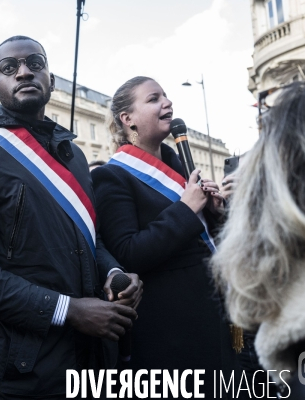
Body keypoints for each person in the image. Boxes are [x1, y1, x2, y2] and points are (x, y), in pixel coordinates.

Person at [0, 36, 142, 399]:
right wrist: (69, 310)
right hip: (22, 368)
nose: (23, 72)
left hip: (92, 357)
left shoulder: (74, 157)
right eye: (8, 67)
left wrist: (113, 272)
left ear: (51, 79)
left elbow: (88, 241)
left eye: (35, 63)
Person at [91, 76, 236, 394]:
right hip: (169, 329)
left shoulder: (183, 170)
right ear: (127, 119)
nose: (167, 103)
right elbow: (129, 252)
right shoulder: (112, 176)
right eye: (154, 98)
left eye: (167, 97)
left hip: (212, 314)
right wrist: (186, 209)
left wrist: (216, 213)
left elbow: (205, 244)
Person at [212, 80, 305, 397]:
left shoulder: (276, 155)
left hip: (288, 267)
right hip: (250, 294)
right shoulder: (242, 162)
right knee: (241, 345)